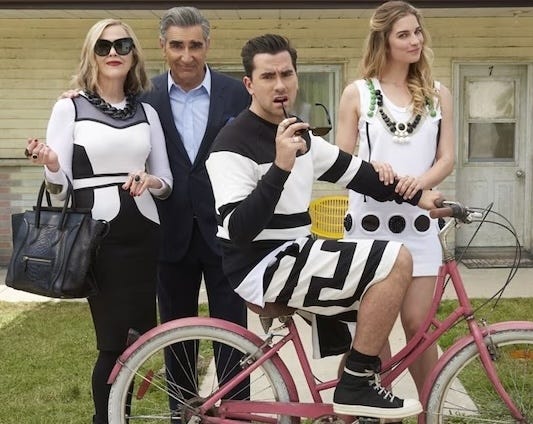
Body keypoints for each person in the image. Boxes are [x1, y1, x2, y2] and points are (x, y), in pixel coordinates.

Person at [205, 33, 443, 420]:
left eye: (286, 74)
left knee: (370, 322)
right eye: (268, 77)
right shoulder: (231, 145)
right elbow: (237, 229)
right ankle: (356, 386)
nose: (280, 84)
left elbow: (359, 175)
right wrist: (280, 168)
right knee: (395, 259)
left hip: (298, 252)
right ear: (249, 84)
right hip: (261, 265)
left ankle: (351, 398)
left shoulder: (299, 134)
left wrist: (422, 198)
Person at [25, 19, 173, 424]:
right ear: (92, 54)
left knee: (140, 339)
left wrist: (150, 179)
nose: (113, 52)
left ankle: (119, 415)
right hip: (97, 235)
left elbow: (166, 182)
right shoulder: (68, 106)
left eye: (122, 45)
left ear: (133, 55)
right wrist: (52, 163)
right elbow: (59, 186)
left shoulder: (147, 111)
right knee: (112, 343)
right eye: (104, 46)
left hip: (144, 232)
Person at [336, 0, 454, 400]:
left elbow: (447, 158)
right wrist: (374, 169)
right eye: (403, 34)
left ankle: (429, 408)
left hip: (420, 227)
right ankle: (370, 406)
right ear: (383, 41)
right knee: (374, 328)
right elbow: (342, 161)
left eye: (417, 32)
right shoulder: (358, 94)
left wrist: (418, 184)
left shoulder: (438, 94)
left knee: (419, 323)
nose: (414, 40)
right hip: (369, 229)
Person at [139, 6, 251, 415]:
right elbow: (105, 107)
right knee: (176, 338)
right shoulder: (144, 95)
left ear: (208, 44)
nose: (186, 55)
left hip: (226, 232)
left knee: (234, 338)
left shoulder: (237, 93)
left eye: (195, 45)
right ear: (163, 46)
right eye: (177, 46)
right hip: (169, 234)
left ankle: (237, 415)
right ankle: (182, 416)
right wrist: (76, 96)